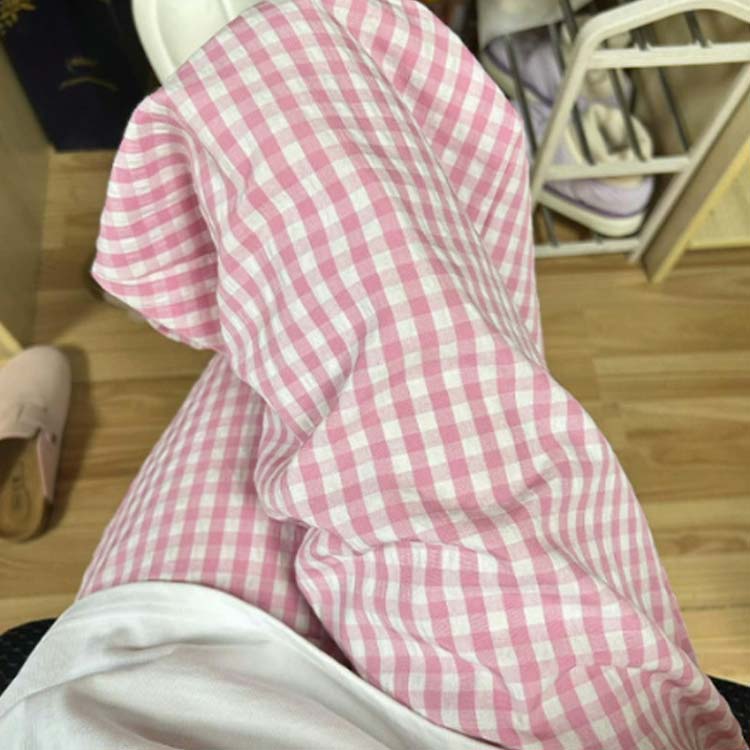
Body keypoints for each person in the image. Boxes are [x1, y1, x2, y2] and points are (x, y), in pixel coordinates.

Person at [0, 0, 744, 747]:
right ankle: (300, 103)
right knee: (365, 348)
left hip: (177, 676)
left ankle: (298, 72)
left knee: (358, 345)